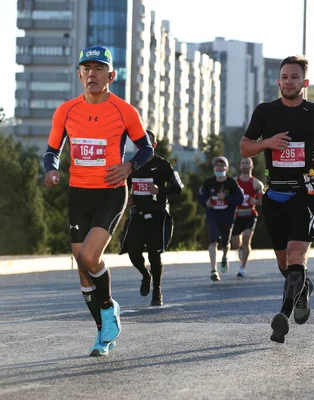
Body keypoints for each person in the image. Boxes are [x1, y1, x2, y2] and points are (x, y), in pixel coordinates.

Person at [43, 46, 153, 356]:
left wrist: (130, 165)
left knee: (90, 257)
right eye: (86, 68)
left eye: (98, 68)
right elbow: (52, 151)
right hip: (78, 193)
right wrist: (51, 170)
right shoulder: (66, 110)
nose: (92, 73)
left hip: (111, 192)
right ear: (80, 74)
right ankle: (102, 335)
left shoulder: (124, 110)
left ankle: (108, 309)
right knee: (81, 265)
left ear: (111, 75)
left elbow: (146, 149)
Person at [240, 56, 314, 343]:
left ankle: (282, 316)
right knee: (285, 265)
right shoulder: (265, 112)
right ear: (279, 81)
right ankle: (303, 288)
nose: (288, 81)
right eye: (284, 77)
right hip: (274, 195)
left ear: (305, 82)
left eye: (294, 77)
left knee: (297, 254)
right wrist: (267, 143)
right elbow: (245, 147)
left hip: (306, 192)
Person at [119, 130, 183, 306]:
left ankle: (158, 290)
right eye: (139, 144)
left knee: (154, 253)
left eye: (147, 144)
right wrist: (127, 197)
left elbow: (178, 187)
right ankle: (145, 275)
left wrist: (159, 190)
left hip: (157, 214)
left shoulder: (162, 165)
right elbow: (125, 187)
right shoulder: (132, 165)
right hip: (138, 213)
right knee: (132, 250)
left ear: (154, 146)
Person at [198, 156, 244, 282]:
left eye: (222, 165)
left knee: (225, 243)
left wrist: (226, 198)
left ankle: (224, 256)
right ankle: (213, 270)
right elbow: (201, 195)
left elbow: (240, 199)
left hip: (227, 217)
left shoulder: (232, 184)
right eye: (217, 165)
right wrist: (205, 201)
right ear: (214, 168)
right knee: (213, 241)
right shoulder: (208, 183)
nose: (219, 167)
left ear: (226, 168)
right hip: (213, 215)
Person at [232, 157, 265, 277]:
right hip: (237, 215)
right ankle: (241, 249)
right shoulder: (234, 182)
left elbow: (262, 201)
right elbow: (229, 197)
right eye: (243, 163)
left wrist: (255, 201)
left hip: (250, 215)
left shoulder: (256, 183)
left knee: (246, 238)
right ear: (240, 166)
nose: (245, 165)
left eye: (247, 163)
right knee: (236, 243)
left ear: (251, 166)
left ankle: (242, 267)